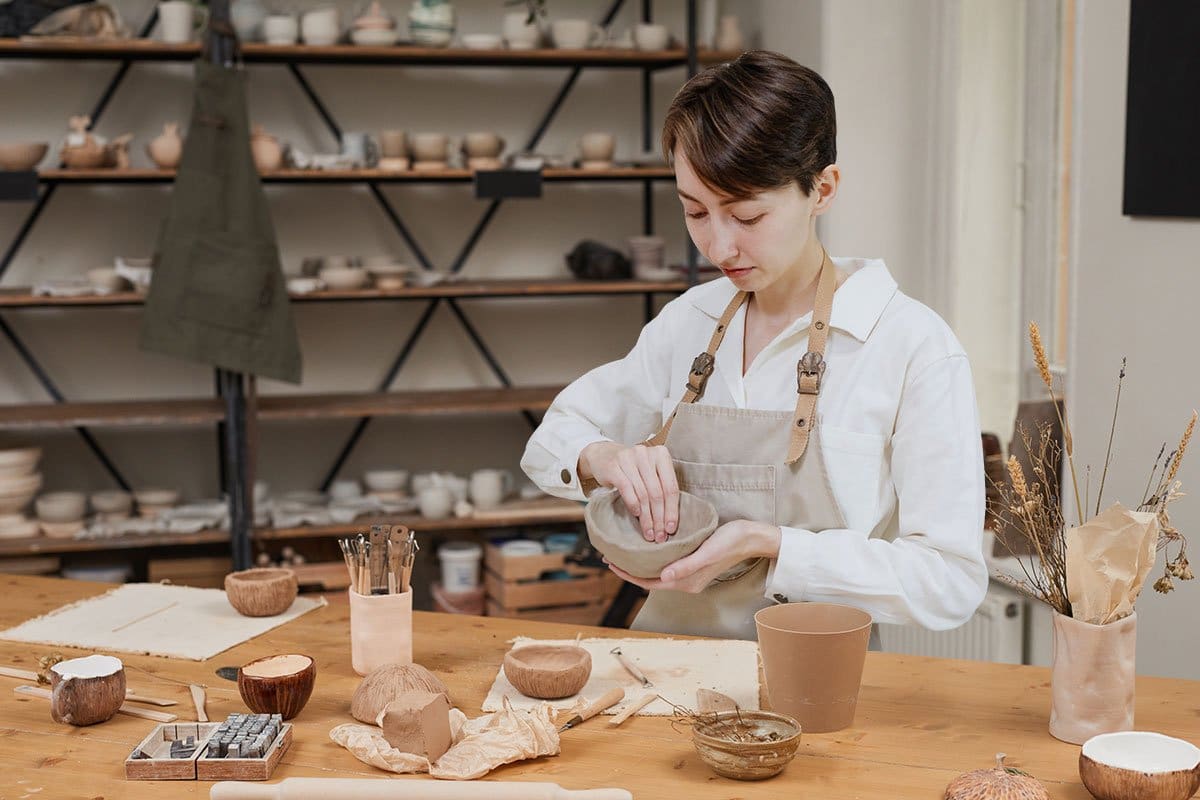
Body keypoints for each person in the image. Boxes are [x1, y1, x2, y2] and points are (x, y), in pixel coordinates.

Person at [520, 50, 988, 642]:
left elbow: (950, 583)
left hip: (819, 687)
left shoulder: (910, 345)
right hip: (668, 672)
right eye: (695, 212)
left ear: (822, 189)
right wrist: (602, 456)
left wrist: (774, 547)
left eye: (746, 216)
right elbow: (550, 442)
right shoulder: (688, 322)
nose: (718, 247)